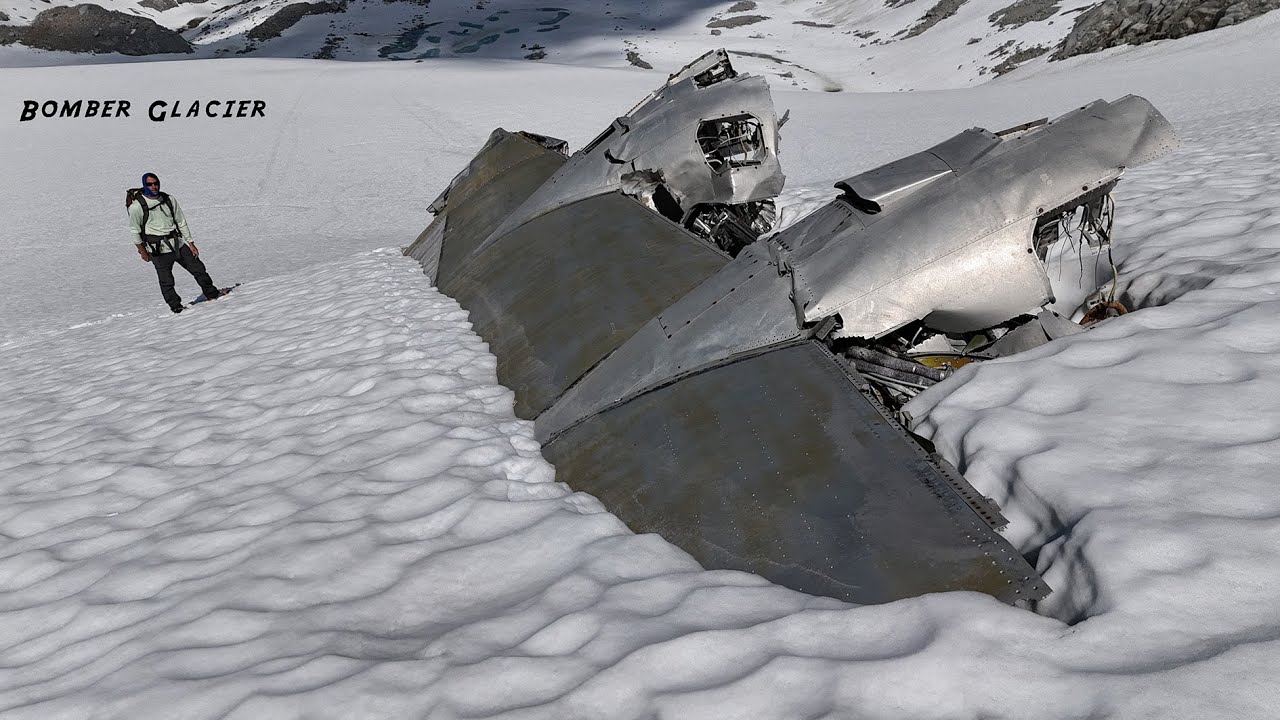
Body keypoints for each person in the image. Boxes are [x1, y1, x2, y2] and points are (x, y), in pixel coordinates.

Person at [129, 173, 221, 313]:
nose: (154, 186)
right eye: (150, 184)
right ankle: (176, 307)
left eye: (156, 183)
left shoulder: (169, 199)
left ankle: (212, 294)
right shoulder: (136, 206)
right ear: (144, 185)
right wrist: (143, 252)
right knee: (166, 281)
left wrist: (190, 242)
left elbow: (181, 221)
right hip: (158, 250)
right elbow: (135, 232)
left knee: (198, 269)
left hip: (178, 243)